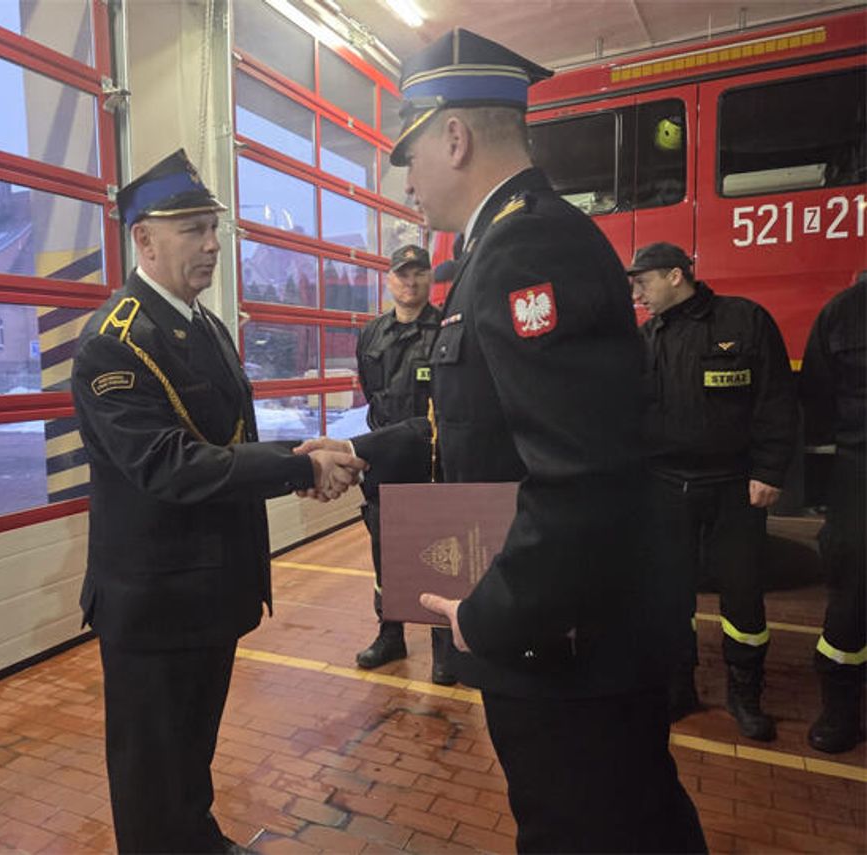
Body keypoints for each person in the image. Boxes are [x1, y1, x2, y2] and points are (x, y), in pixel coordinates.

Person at [299, 29, 704, 853]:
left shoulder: (527, 246)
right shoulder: (498, 245)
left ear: (455, 136)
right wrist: (363, 451)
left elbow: (580, 479)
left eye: (409, 153)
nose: (404, 180)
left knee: (588, 827)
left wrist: (489, 613)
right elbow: (477, 422)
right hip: (568, 635)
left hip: (570, 645)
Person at [71, 149, 364, 853]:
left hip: (207, 588)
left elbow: (230, 438)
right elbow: (168, 465)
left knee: (190, 755)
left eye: (214, 228)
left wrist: (301, 459)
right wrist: (298, 467)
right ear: (144, 239)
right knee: (151, 771)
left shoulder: (204, 326)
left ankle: (196, 837)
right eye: (193, 229)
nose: (211, 244)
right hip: (156, 598)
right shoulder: (115, 343)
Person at [629, 242, 797, 741]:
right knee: (669, 594)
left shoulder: (744, 321)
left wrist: (770, 470)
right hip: (665, 487)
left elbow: (775, 399)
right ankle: (679, 688)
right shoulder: (646, 337)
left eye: (644, 281)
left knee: (743, 595)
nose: (636, 292)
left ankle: (745, 695)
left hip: (733, 487)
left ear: (676, 276)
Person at [354, 244, 455, 684]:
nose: (410, 282)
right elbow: (370, 392)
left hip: (433, 461)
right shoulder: (371, 334)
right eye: (402, 274)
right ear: (388, 280)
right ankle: (389, 633)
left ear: (429, 279)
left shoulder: (448, 330)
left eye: (418, 274)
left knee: (439, 555)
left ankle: (443, 646)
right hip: (384, 460)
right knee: (385, 553)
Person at [799, 272, 865, 753]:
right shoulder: (843, 312)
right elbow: (817, 402)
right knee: (851, 596)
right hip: (859, 475)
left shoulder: (843, 312)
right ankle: (840, 711)